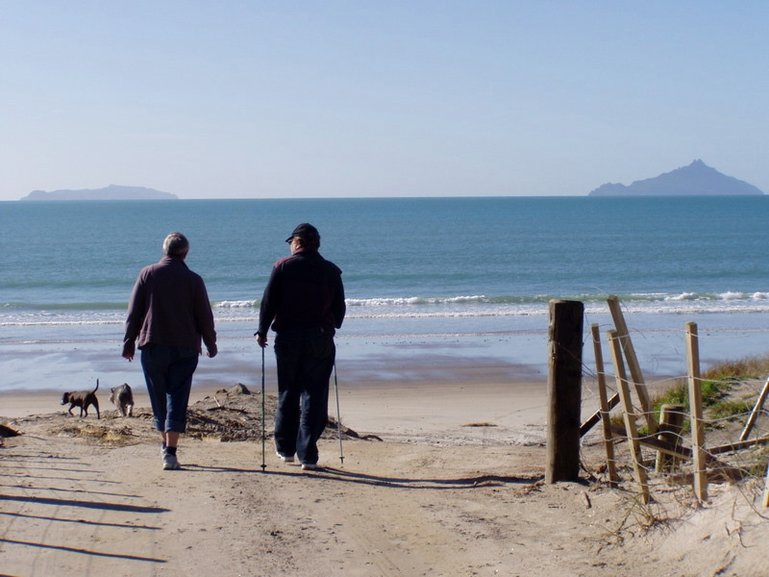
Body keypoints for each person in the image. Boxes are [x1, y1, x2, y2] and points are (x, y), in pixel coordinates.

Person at [122, 232, 217, 470]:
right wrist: (210, 342)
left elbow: (134, 312)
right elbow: (204, 315)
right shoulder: (194, 280)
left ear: (165, 250)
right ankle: (171, 451)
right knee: (178, 396)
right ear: (185, 252)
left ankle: (165, 448)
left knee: (158, 396)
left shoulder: (148, 273)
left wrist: (128, 342)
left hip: (153, 345)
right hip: (185, 347)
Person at [255, 223, 345, 470]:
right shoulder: (331, 270)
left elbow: (268, 302)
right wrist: (332, 325)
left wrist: (261, 330)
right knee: (315, 394)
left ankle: (285, 449)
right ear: (316, 243)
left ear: (297, 242)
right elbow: (340, 310)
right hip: (320, 337)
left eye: (291, 242)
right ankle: (308, 453)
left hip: (288, 337)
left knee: (289, 390)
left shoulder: (283, 267)